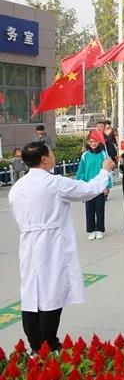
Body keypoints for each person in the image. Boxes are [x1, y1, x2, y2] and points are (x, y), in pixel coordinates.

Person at [9, 142, 115, 353]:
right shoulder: (54, 183)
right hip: (51, 244)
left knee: (31, 294)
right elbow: (88, 190)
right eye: (51, 153)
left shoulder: (17, 187)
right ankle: (49, 344)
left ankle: (35, 345)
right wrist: (105, 170)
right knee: (51, 294)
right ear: (44, 159)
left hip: (29, 243)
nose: (53, 156)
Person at [76, 133, 111, 240]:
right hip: (88, 186)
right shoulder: (85, 155)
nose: (93, 143)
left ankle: (100, 229)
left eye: (95, 141)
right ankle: (91, 230)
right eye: (91, 142)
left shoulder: (103, 154)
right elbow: (81, 171)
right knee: (89, 209)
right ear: (88, 143)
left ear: (99, 142)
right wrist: (80, 184)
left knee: (100, 209)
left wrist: (107, 186)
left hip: (100, 187)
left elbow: (108, 170)